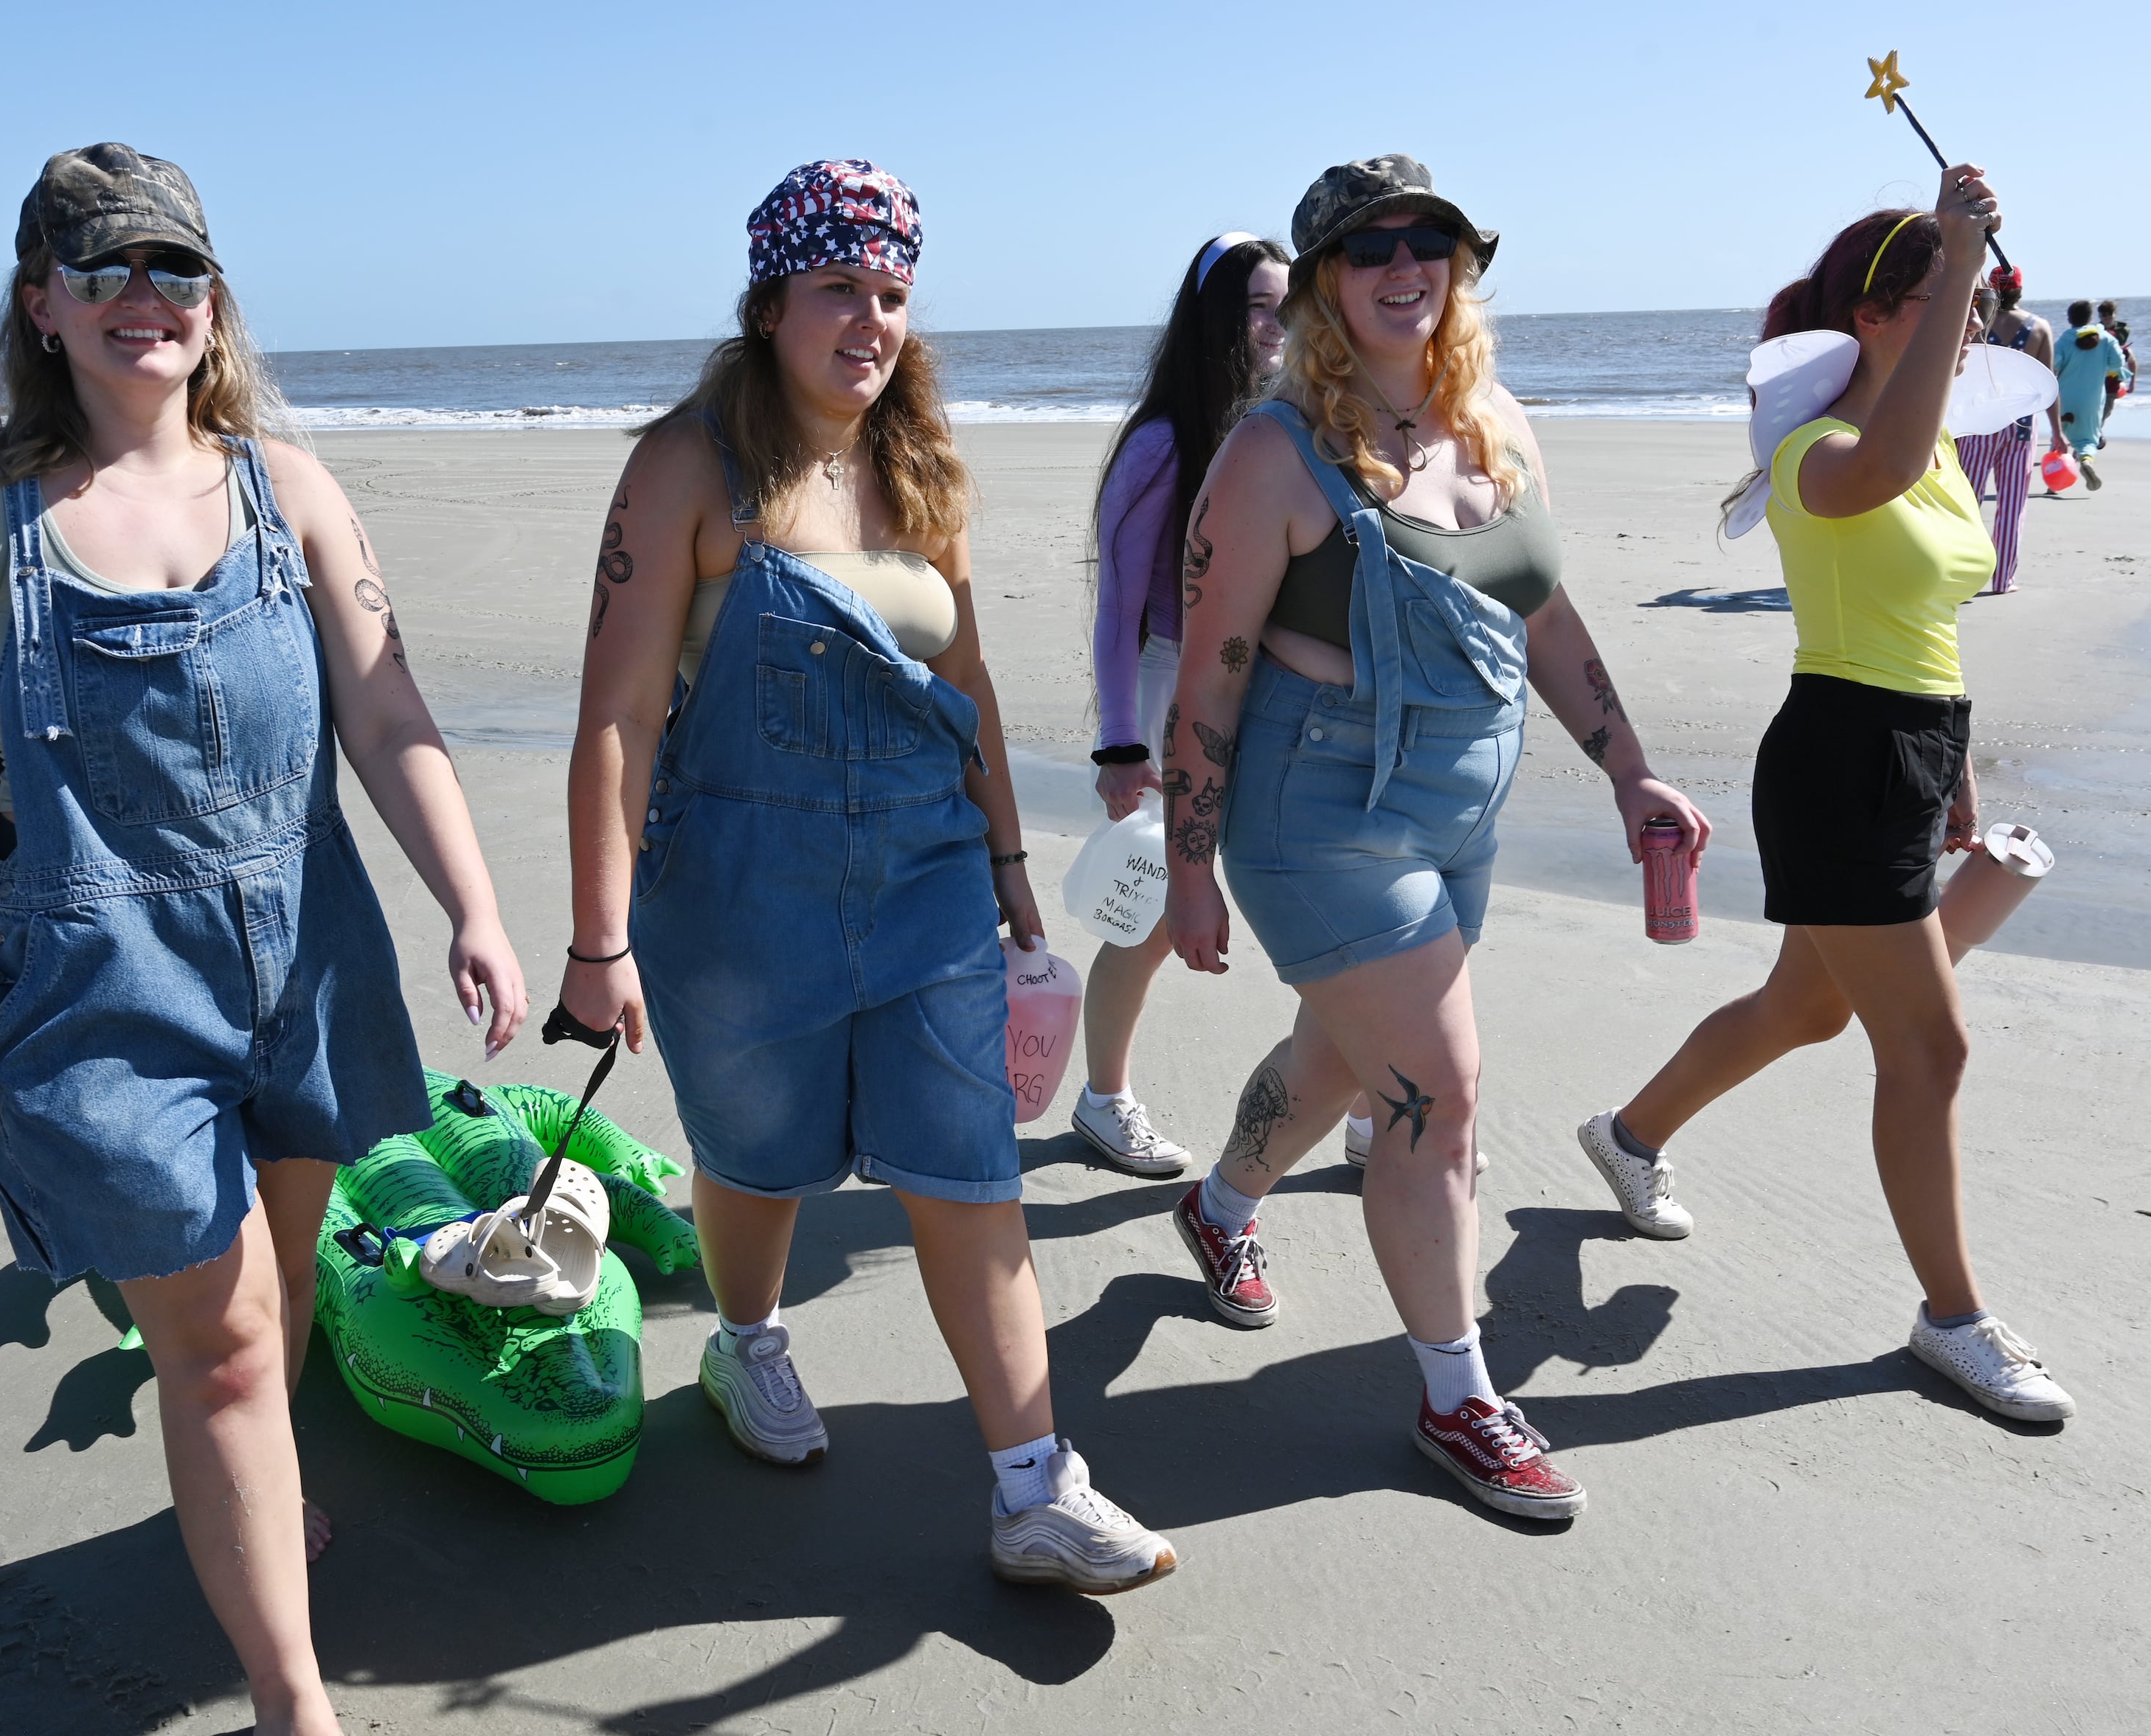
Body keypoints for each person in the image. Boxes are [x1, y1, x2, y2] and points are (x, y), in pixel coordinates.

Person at [0, 143, 529, 1736]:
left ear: (214, 301)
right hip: (95, 981)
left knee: (281, 1290)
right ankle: (295, 1701)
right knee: (223, 1340)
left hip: (300, 953)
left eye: (174, 268)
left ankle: (252, 1488)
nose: (142, 297)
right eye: (103, 270)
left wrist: (479, 906)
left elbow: (386, 706)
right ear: (41, 303)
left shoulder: (290, 490)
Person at [563, 161, 1176, 1592]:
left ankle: (1036, 1483)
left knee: (970, 1170)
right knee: (755, 1157)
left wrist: (1013, 864)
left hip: (928, 877)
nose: (871, 318)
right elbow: (618, 712)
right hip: (735, 885)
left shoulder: (920, 464)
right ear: (773, 296)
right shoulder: (686, 467)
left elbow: (965, 682)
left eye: (892, 291)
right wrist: (602, 939)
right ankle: (748, 1339)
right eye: (840, 285)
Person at [1162, 155, 1710, 1521]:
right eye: (1369, 250)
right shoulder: (1271, 454)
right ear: (1324, 290)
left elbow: (1545, 614)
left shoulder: (1499, 422)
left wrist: (1631, 769)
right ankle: (1460, 1399)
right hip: (1321, 812)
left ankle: (1220, 1208)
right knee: (1442, 1091)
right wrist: (1188, 865)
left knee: (1351, 1062)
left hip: (1465, 802)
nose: (1406, 267)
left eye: (1432, 244)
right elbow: (1211, 674)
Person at [1578, 176, 2080, 1427]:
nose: (1969, 332)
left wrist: (1956, 763)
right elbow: (1890, 461)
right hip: (1838, 762)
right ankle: (1950, 1320)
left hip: (1909, 751)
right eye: (1944, 309)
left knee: (1805, 1010)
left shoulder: (1936, 455)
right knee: (1933, 1046)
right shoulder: (1817, 454)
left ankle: (1628, 1137)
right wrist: (1961, 253)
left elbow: (1931, 614)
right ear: (1874, 316)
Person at [1074, 230, 1289, 1177]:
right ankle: (1103, 1098)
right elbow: (1118, 608)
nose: (1279, 328)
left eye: (1291, 308)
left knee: (1316, 893)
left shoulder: (1283, 425)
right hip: (1171, 686)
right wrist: (1121, 744)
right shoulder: (1163, 445)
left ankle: (1366, 1102)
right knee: (1155, 912)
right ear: (1216, 321)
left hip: (1272, 685)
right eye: (1259, 309)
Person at [1956, 265, 2060, 586]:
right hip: (2022, 427)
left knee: (1966, 504)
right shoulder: (2039, 328)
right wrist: (2059, 432)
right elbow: (2048, 385)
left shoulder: (1974, 323)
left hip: (1978, 423)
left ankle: (1961, 577)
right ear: (2019, 290)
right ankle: (2003, 579)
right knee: (2012, 506)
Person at [2053, 298, 2126, 480]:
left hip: (2065, 398)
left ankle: (2055, 480)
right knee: (2088, 439)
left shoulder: (2064, 340)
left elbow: (2052, 364)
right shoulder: (2106, 339)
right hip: (2092, 400)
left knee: (2060, 438)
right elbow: (2118, 363)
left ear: (2070, 319)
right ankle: (2086, 460)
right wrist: (2104, 367)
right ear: (2091, 317)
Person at [2097, 299, 2138, 425]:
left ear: (2114, 314)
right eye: (2104, 315)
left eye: (2110, 314)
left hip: (2113, 379)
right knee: (2097, 409)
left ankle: (2096, 432)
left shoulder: (2121, 334)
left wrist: (2132, 382)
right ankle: (2095, 434)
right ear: (2100, 316)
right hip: (2097, 377)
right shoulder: (2096, 333)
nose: (2107, 317)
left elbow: (2131, 360)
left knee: (2107, 409)